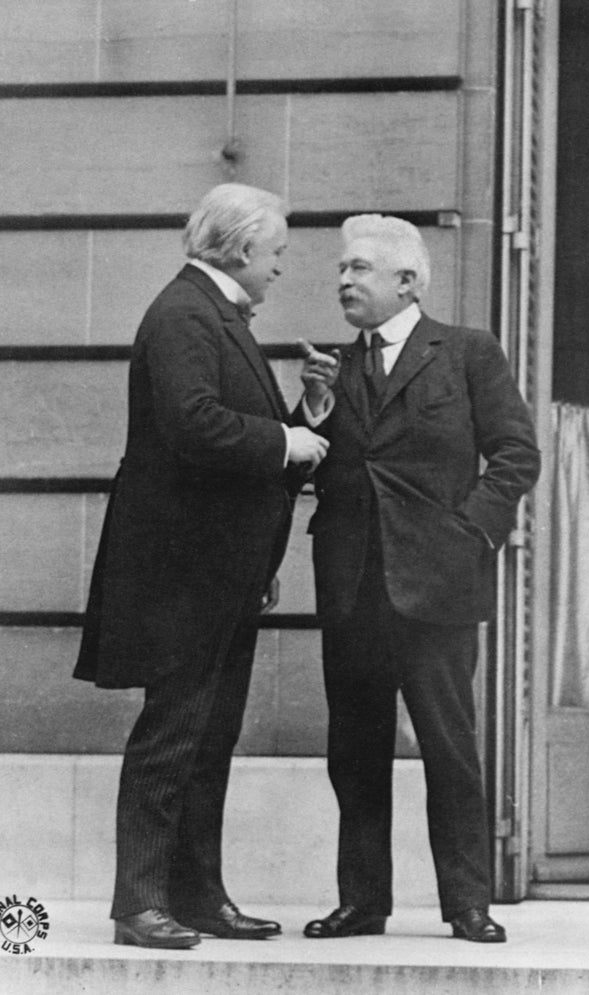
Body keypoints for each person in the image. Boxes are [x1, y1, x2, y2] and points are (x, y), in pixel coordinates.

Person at [74, 183, 330, 949]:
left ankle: (193, 894)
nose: (281, 268)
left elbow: (220, 436)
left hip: (216, 570)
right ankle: (140, 904)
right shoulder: (187, 313)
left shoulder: (205, 313)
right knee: (174, 733)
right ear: (243, 249)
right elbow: (194, 426)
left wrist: (305, 415)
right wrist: (289, 443)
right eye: (277, 253)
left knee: (208, 736)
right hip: (184, 574)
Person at [296, 214, 539, 944]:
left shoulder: (466, 352)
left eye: (359, 268)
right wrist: (311, 410)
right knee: (355, 753)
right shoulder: (333, 367)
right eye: (341, 268)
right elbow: (310, 463)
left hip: (437, 589)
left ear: (407, 281)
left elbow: (516, 454)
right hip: (353, 586)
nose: (343, 279)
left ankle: (467, 902)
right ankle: (363, 900)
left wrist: (469, 534)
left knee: (449, 748)